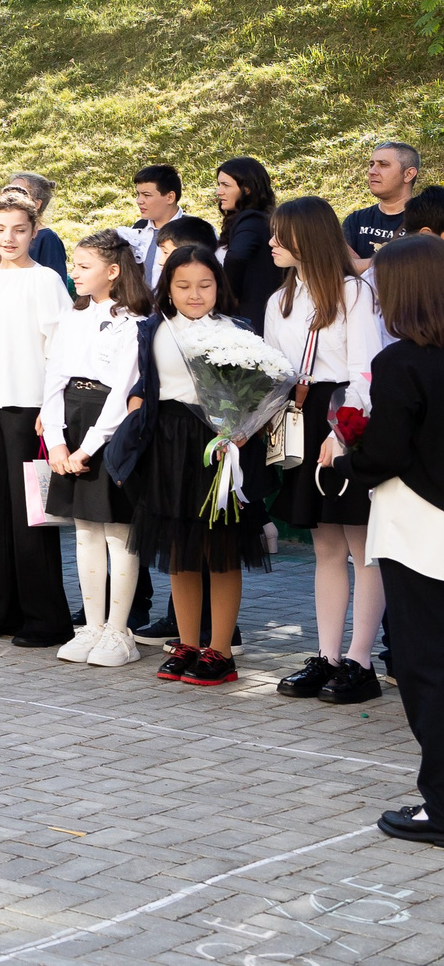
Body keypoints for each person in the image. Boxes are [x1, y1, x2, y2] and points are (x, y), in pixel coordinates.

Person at [131, 245, 269, 687]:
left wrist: (240, 430)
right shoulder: (152, 328)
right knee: (179, 552)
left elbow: (260, 394)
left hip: (216, 447)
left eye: (205, 285)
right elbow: (144, 382)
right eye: (183, 285)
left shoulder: (237, 330)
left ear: (219, 286)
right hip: (166, 444)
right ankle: (187, 643)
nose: (195, 294)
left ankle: (221, 651)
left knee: (221, 551)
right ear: (167, 288)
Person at [265, 197, 385, 705]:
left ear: (307, 238)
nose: (271, 243)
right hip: (301, 415)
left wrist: (341, 432)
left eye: (280, 235)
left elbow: (366, 370)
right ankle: (328, 655)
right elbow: (275, 370)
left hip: (346, 415)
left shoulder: (355, 293)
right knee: (326, 547)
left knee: (363, 549)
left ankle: (362, 660)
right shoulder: (280, 299)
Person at [354, 234, 444, 844]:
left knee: (424, 666)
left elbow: (385, 453)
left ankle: (441, 805)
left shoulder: (400, 363)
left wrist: (341, 459)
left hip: (420, 528)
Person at [0, 191, 74, 647]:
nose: (9, 238)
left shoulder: (46, 281)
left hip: (30, 410)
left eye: (19, 230)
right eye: (0, 229)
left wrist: (51, 408)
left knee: (32, 519)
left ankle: (44, 619)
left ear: (35, 232)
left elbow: (59, 351)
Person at [41, 230, 150, 665]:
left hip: (110, 430)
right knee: (84, 529)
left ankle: (118, 631)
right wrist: (55, 441)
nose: (75, 273)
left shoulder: (135, 324)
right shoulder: (72, 317)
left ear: (113, 271)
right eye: (75, 264)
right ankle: (91, 625)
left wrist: (86, 449)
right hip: (70, 421)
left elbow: (122, 393)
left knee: (118, 533)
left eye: (84, 266)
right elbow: (54, 378)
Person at [214, 156, 280, 327]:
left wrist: (228, 296)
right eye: (219, 184)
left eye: (226, 185)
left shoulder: (251, 219)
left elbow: (236, 256)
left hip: (250, 315)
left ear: (248, 189)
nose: (219, 191)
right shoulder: (263, 219)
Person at [346, 141, 422, 274]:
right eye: (371, 165)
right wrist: (393, 260)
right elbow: (339, 266)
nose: (372, 172)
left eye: (383, 165)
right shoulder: (356, 220)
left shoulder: (427, 219)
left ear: (408, 174)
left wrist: (362, 264)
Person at [122, 164, 183, 289]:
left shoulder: (195, 230)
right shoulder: (138, 228)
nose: (139, 201)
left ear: (170, 197)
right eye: (138, 194)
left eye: (146, 195)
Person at [7, 173, 66, 276]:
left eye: (18, 194)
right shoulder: (5, 234)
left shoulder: (47, 238)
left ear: (36, 204)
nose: (10, 198)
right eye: (8, 192)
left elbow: (56, 280)